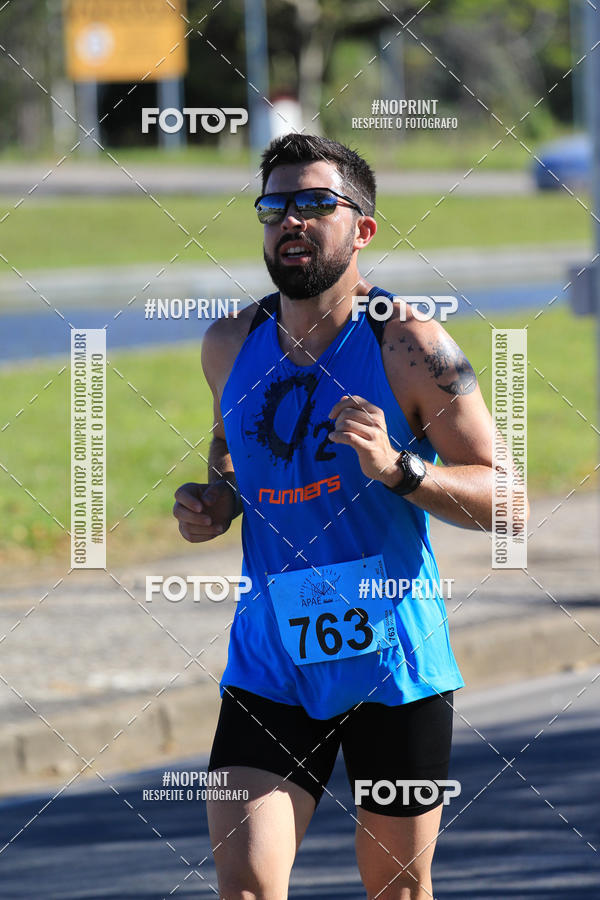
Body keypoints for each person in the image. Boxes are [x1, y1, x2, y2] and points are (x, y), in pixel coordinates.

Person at [173, 133, 523, 899]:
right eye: (275, 206)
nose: (290, 221)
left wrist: (402, 470)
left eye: (314, 204)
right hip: (270, 662)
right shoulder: (229, 343)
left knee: (395, 889)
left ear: (362, 228)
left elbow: (510, 500)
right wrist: (215, 503)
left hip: (394, 667)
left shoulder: (412, 346)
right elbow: (228, 453)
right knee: (244, 885)